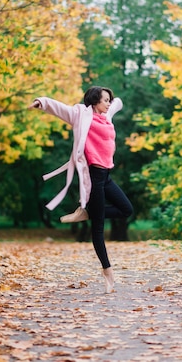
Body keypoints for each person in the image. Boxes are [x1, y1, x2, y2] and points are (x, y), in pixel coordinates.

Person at [28, 86, 133, 293]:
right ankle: (108, 272)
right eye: (105, 100)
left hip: (107, 176)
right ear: (94, 101)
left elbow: (117, 105)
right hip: (94, 177)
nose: (108, 104)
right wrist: (43, 102)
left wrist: (117, 101)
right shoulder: (81, 115)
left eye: (109, 100)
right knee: (99, 228)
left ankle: (88, 212)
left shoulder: (106, 115)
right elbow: (61, 109)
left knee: (126, 209)